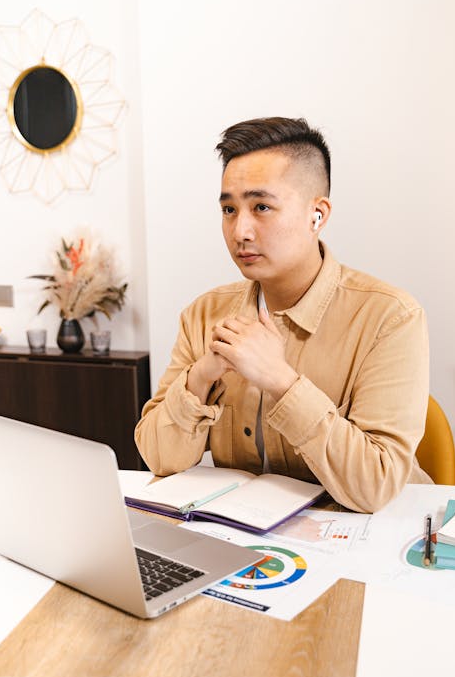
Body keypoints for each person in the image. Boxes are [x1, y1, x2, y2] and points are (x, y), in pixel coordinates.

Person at [135, 117, 431, 512]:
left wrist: (280, 380)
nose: (240, 230)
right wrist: (203, 374)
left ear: (317, 215)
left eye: (261, 207)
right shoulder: (203, 314)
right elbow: (158, 457)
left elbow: (374, 486)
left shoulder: (390, 317)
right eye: (228, 209)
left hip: (371, 543)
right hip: (254, 544)